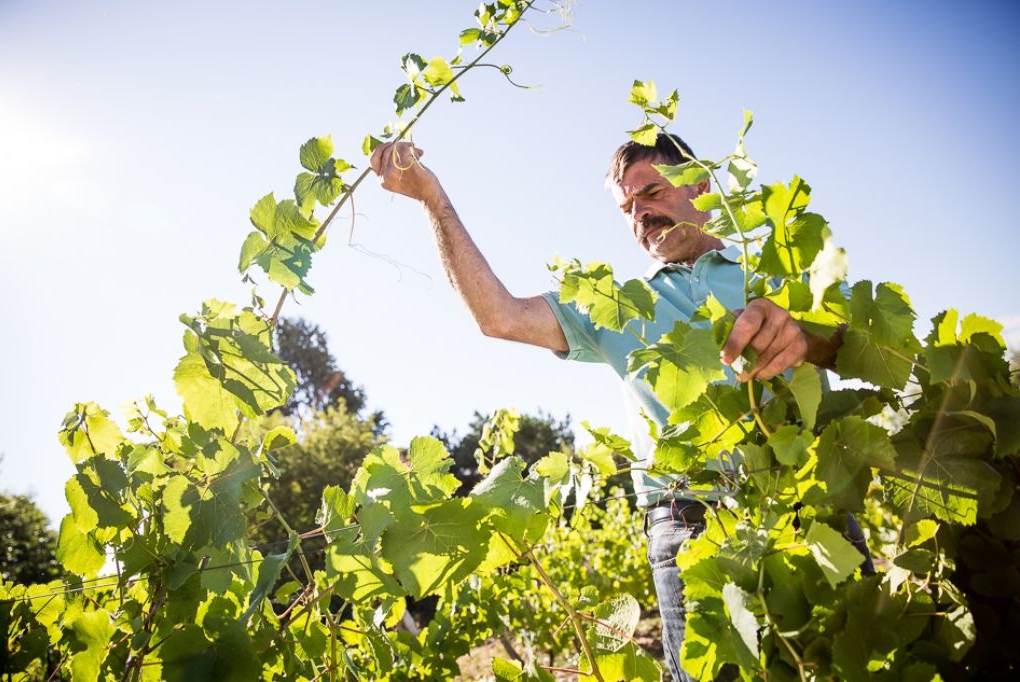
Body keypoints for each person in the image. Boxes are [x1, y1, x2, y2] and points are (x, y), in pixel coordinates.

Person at [369, 133, 870, 681]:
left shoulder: (770, 268)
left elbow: (856, 348)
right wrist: (433, 201)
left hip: (803, 500)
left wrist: (804, 333)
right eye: (628, 207)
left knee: (851, 665)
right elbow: (499, 316)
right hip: (689, 521)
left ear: (700, 185)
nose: (641, 214)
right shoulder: (616, 305)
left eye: (651, 193)